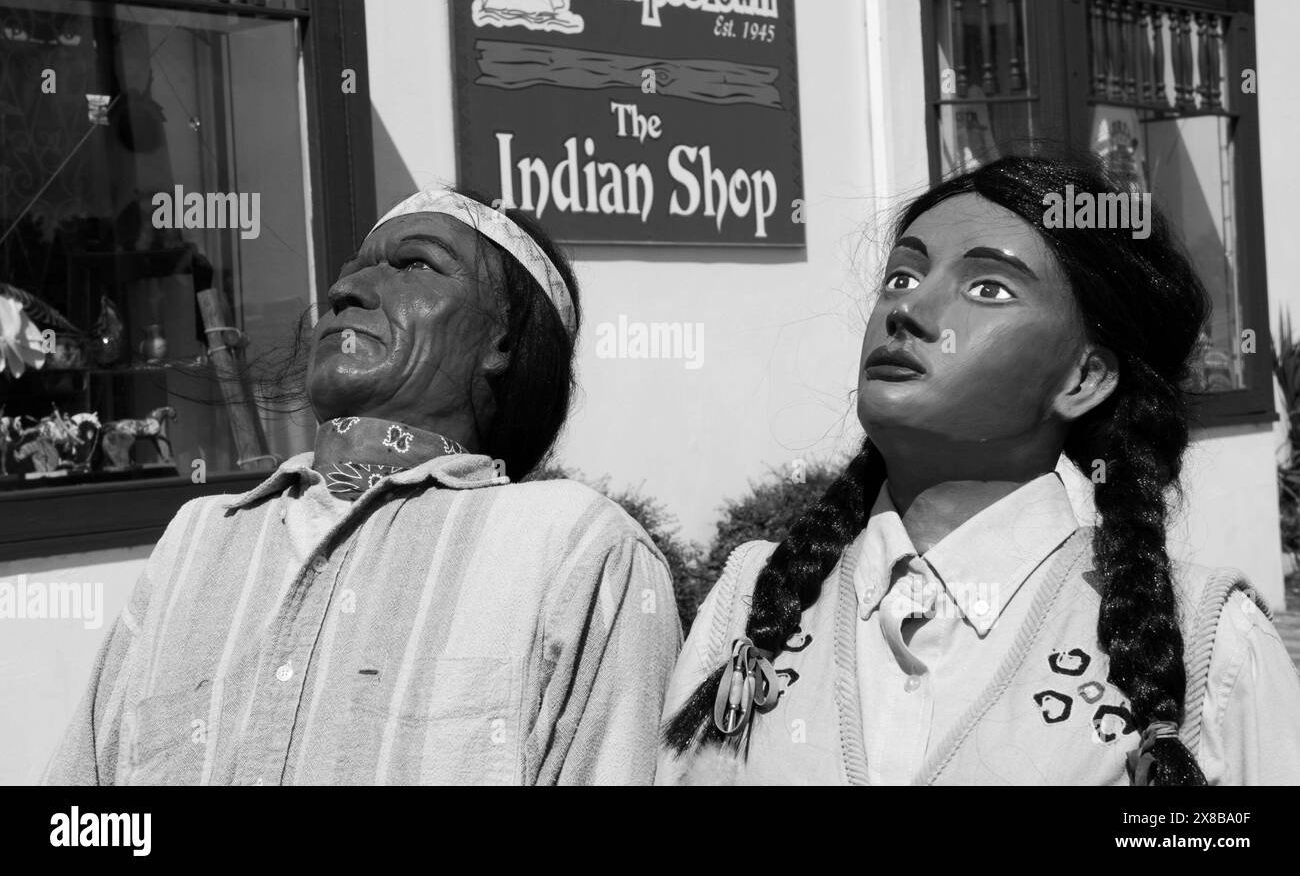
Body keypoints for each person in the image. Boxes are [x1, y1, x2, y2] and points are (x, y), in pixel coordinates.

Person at [658, 154, 1300, 785]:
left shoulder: (1210, 644)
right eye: (902, 278)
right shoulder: (751, 602)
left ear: (1083, 378)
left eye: (987, 288)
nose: (904, 312)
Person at [45, 188, 680, 785]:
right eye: (352, 268)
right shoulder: (199, 540)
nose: (345, 288)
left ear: (504, 339)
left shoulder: (577, 550)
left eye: (414, 266)